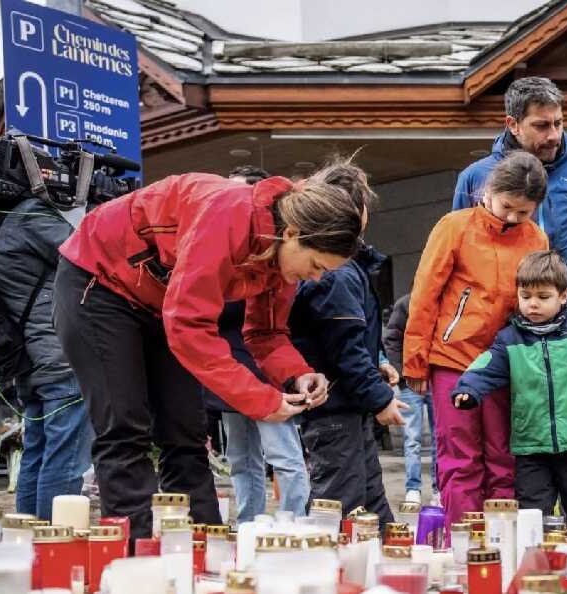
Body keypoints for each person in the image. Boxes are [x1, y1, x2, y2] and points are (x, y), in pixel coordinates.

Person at [54, 158, 370, 540]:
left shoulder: (281, 260)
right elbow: (189, 327)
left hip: (160, 300)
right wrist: (261, 400)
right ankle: (134, 555)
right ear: (292, 233)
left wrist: (296, 374)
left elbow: (266, 332)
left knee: (186, 430)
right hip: (99, 281)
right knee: (125, 426)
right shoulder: (228, 214)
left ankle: (204, 547)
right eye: (317, 264)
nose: (316, 277)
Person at [452, 77, 567, 527]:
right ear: (512, 124)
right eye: (540, 126)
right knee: (528, 446)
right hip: (510, 335)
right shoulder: (475, 178)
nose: (553, 135)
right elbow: (459, 251)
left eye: (558, 123)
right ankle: (546, 542)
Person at [405, 151, 549, 525]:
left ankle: (503, 541)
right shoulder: (454, 227)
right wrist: (415, 361)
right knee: (460, 457)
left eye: (524, 212)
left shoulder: (536, 238)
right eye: (507, 207)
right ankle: (463, 545)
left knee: (505, 457)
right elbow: (425, 294)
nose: (513, 218)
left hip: (506, 363)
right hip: (454, 359)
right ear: (489, 190)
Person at [452, 251, 567, 522]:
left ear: (563, 296)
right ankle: (538, 563)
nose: (533, 304)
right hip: (532, 447)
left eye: (543, 297)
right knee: (533, 516)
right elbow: (487, 366)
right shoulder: (510, 338)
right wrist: (468, 388)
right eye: (525, 296)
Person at [205, 166, 311, 522]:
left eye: (240, 193)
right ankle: (247, 524)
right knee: (240, 459)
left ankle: (292, 523)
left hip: (266, 370)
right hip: (232, 373)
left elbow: (273, 327)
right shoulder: (224, 251)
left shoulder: (278, 259)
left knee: (284, 457)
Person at [0, 197, 93, 519]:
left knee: (36, 451)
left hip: (27, 358)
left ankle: (30, 540)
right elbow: (85, 252)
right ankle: (54, 546)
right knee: (66, 458)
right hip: (57, 355)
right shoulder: (30, 216)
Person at [291, 243, 405, 521]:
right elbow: (345, 347)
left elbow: (352, 341)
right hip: (335, 407)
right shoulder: (336, 273)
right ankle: (324, 564)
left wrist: (377, 364)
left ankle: (384, 560)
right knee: (338, 508)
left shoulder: (348, 267)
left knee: (369, 503)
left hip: (349, 405)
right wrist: (379, 398)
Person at [385, 293, 438, 506]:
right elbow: (392, 340)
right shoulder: (405, 304)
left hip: (438, 379)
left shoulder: (441, 302)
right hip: (411, 381)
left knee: (439, 438)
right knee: (412, 438)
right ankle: (413, 488)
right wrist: (401, 374)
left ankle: (439, 488)